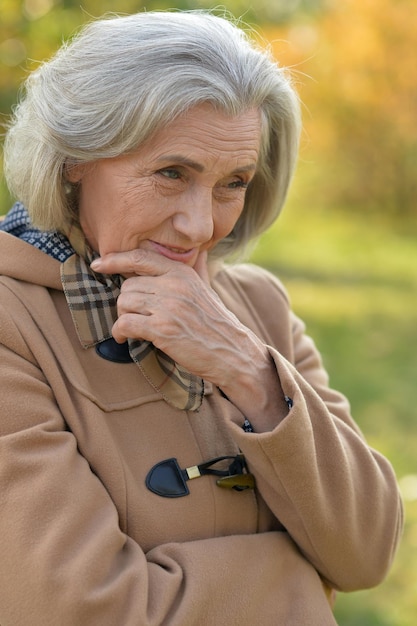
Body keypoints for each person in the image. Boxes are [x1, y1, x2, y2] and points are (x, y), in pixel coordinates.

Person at [0, 10, 402, 626]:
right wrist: (299, 584)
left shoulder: (258, 308)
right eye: (171, 173)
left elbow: (368, 553)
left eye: (232, 183)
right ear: (73, 158)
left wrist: (250, 373)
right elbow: (79, 610)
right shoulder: (11, 325)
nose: (201, 225)